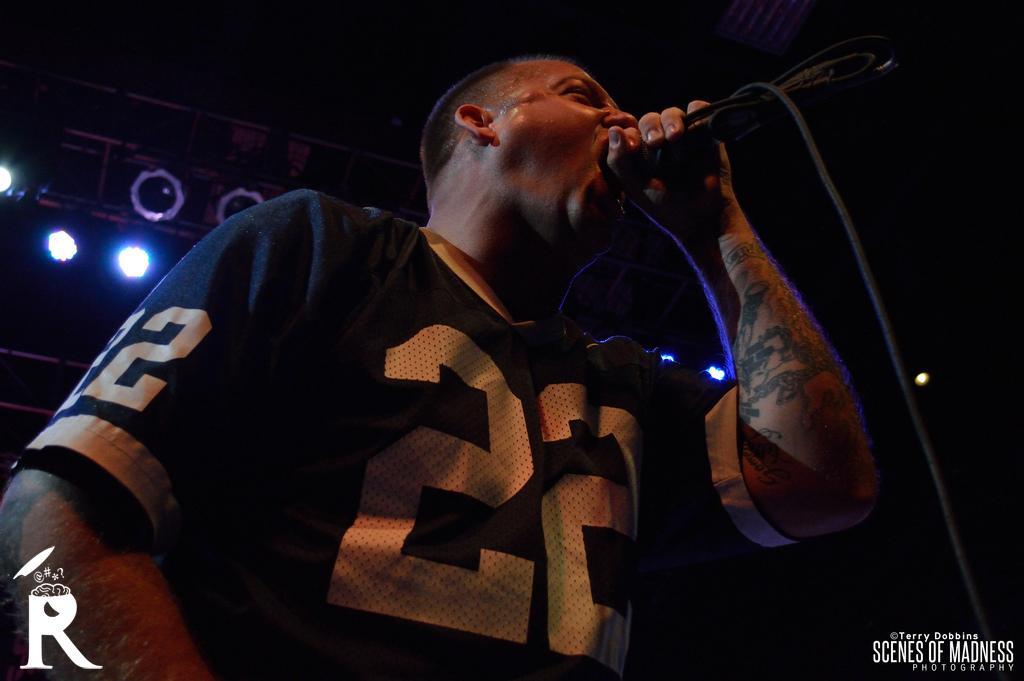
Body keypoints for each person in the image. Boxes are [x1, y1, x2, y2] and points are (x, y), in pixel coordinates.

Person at [0, 56, 877, 680]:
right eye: (585, 97)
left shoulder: (624, 387)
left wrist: (718, 228)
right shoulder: (327, 248)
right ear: (482, 122)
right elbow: (48, 515)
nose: (624, 125)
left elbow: (831, 484)